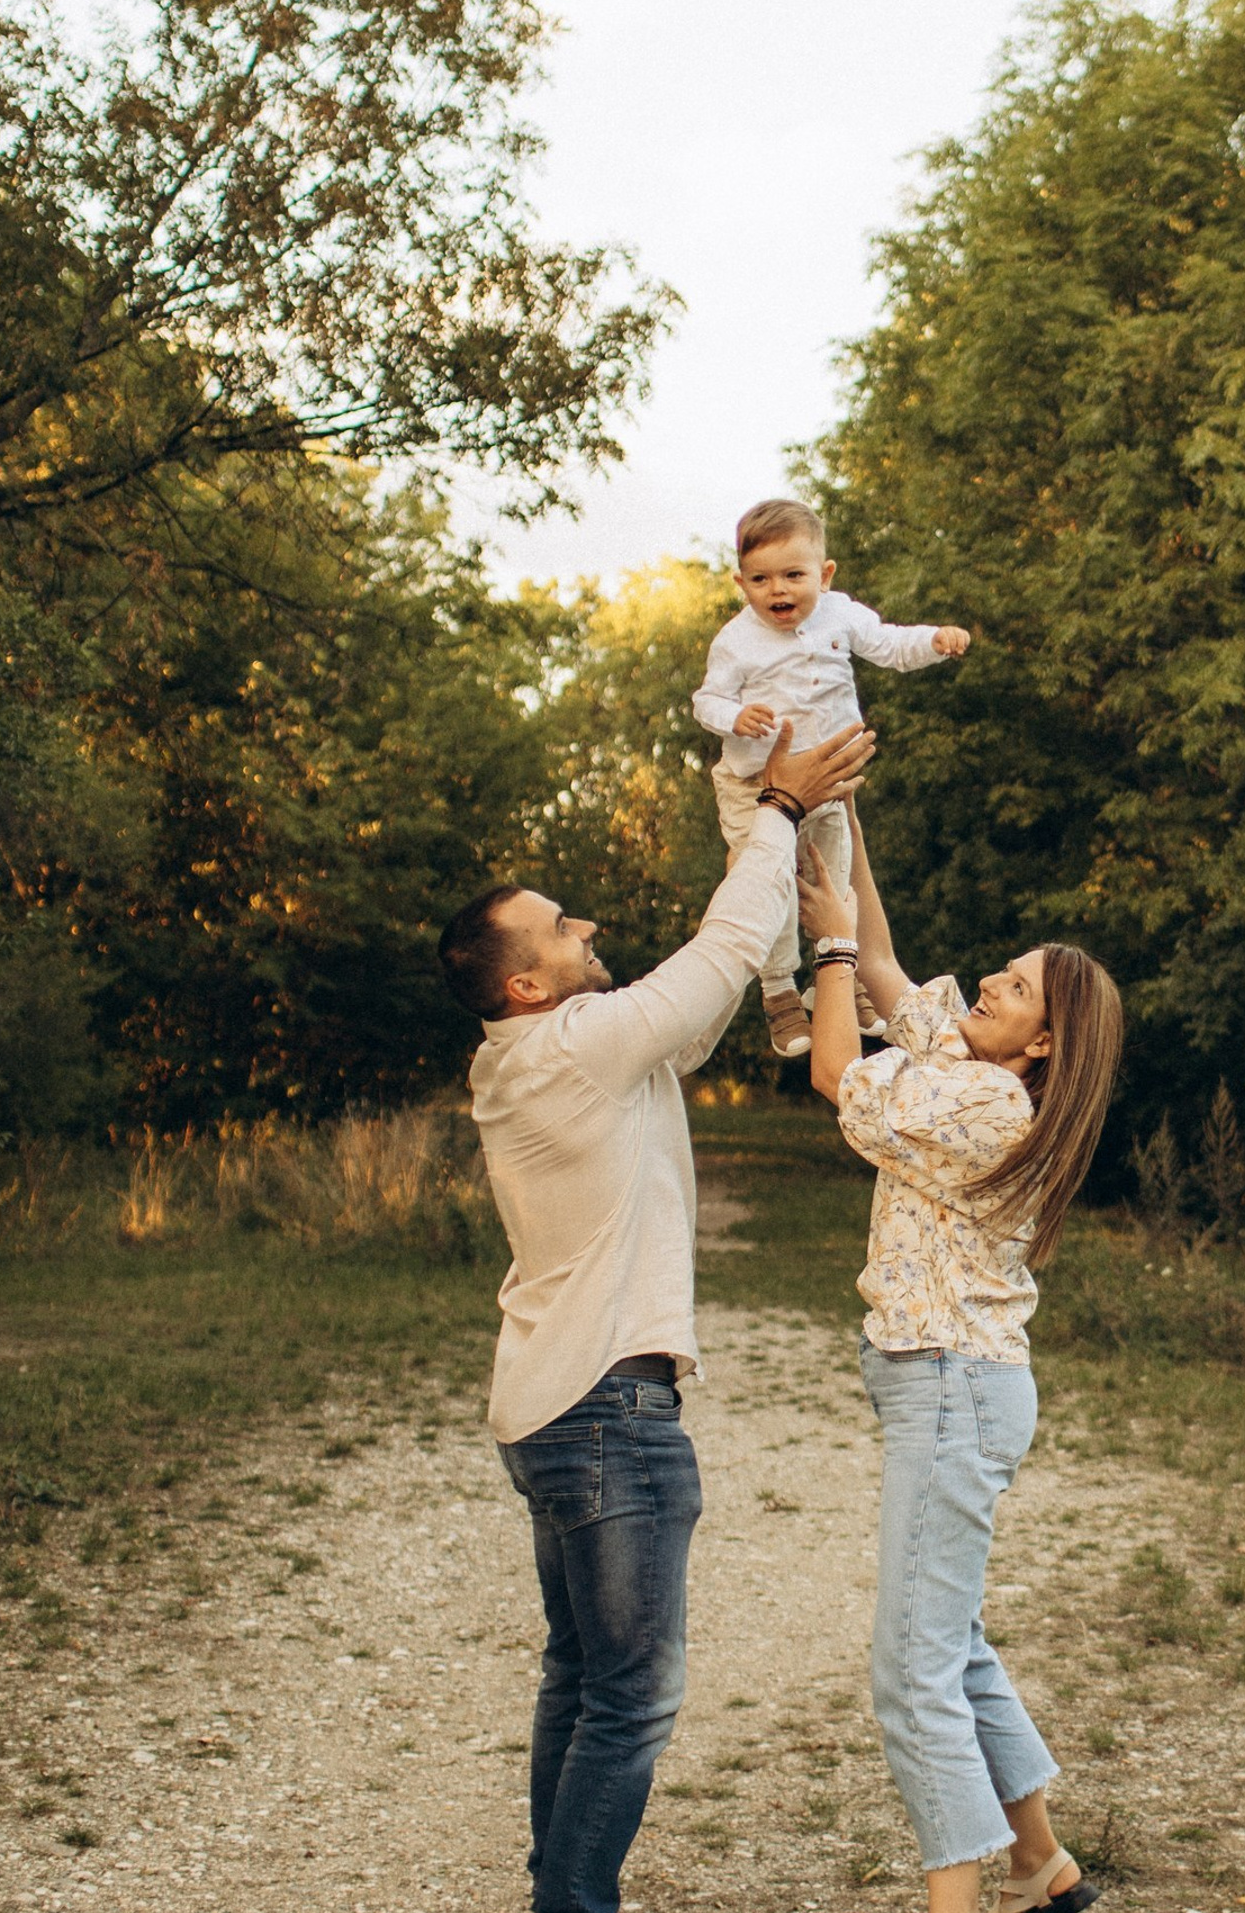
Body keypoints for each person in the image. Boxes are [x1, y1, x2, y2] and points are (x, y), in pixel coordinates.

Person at [436, 721, 874, 1913]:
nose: (588, 929)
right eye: (563, 926)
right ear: (526, 982)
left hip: (555, 1408)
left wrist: (773, 855)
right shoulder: (572, 1049)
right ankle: (570, 1905)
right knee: (631, 1697)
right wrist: (775, 808)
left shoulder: (544, 1054)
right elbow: (725, 944)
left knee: (581, 1679)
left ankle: (563, 1892)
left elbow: (707, 990)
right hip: (608, 1413)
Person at [796, 803, 1124, 1913]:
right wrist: (841, 825)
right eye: (1011, 968)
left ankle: (958, 1902)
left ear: (1043, 1045)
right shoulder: (961, 1059)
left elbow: (834, 1066)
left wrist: (827, 948)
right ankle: (1042, 1864)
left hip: (951, 1388)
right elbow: (888, 960)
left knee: (911, 1673)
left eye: (1019, 988)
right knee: (954, 1642)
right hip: (946, 1387)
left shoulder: (985, 1102)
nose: (993, 980)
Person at [691, 497, 972, 1058]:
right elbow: (707, 700)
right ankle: (778, 995)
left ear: (824, 575)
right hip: (756, 787)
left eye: (793, 576)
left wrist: (935, 641)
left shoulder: (841, 614)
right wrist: (734, 717)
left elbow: (891, 644)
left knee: (835, 878)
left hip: (829, 783)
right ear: (740, 583)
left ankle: (832, 978)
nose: (778, 591)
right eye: (760, 579)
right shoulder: (736, 640)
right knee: (772, 888)